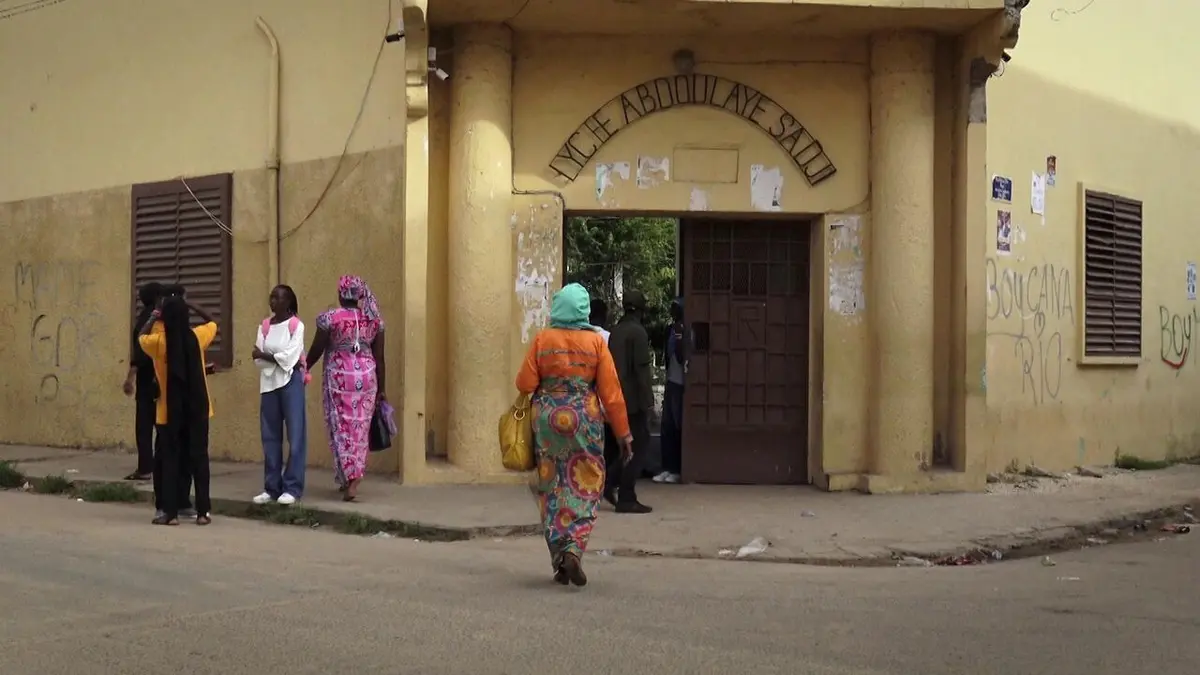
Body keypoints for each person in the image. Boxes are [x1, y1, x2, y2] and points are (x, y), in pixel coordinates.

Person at [516, 283, 633, 587]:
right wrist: (623, 434)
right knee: (587, 483)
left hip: (547, 421)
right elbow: (612, 394)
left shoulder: (543, 340)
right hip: (585, 419)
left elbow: (524, 382)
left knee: (551, 486)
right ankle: (574, 550)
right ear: (583, 310)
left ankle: (559, 556)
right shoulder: (596, 343)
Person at [137, 291, 218, 526]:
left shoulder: (159, 343)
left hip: (170, 411)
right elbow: (213, 321)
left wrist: (154, 315)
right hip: (199, 410)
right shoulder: (197, 337)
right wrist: (191, 304)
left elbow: (141, 336)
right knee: (199, 460)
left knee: (170, 461)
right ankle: (203, 512)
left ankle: (170, 513)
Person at [306, 275, 386, 502]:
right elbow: (380, 357)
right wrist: (382, 389)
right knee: (360, 429)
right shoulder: (374, 320)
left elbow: (317, 349)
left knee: (341, 427)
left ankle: (349, 476)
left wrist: (304, 366)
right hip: (368, 380)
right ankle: (353, 476)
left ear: (341, 294)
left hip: (340, 379)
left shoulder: (330, 318)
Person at [252, 285, 308, 506]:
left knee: (295, 437)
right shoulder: (265, 326)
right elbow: (257, 360)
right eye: (272, 296)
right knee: (270, 438)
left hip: (291, 383)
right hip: (268, 385)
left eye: (279, 297)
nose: (274, 301)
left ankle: (292, 487)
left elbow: (290, 358)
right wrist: (268, 357)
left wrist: (265, 354)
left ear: (289, 301)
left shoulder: (296, 326)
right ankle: (272, 487)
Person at [605, 289, 655, 514]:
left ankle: (606, 481)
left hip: (614, 397)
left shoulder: (615, 331)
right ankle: (626, 495)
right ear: (641, 310)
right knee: (639, 445)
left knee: (625, 446)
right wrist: (649, 403)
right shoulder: (638, 333)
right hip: (633, 400)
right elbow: (641, 372)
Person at [122, 282, 162, 481]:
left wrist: (131, 377)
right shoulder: (161, 317)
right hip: (161, 378)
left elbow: (141, 352)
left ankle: (146, 468)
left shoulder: (145, 320)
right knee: (161, 425)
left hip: (149, 380)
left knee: (144, 426)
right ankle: (161, 466)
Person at [654, 297, 686, 484]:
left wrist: (681, 337)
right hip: (671, 381)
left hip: (682, 383)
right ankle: (667, 467)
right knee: (667, 427)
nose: (673, 312)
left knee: (678, 425)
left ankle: (677, 468)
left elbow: (683, 358)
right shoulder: (670, 330)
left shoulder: (686, 331)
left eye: (676, 309)